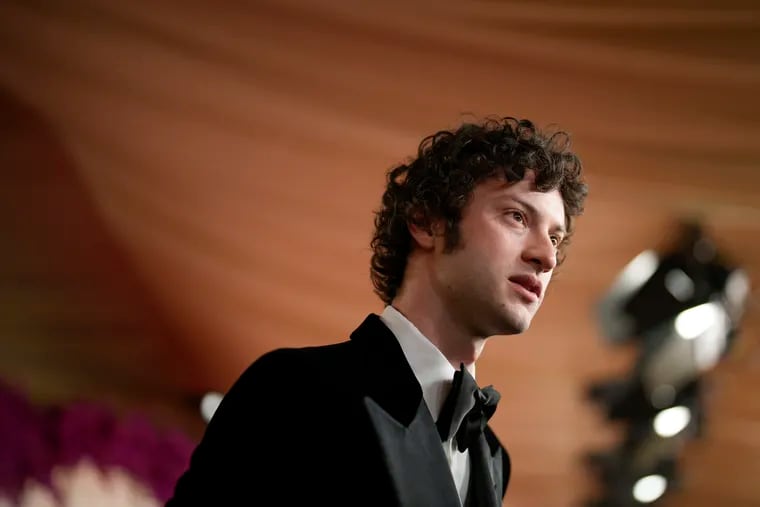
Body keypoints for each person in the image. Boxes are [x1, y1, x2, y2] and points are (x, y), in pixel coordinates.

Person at [166, 116, 588, 506]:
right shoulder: (294, 388)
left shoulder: (495, 459)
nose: (546, 258)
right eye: (516, 216)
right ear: (427, 223)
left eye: (555, 238)